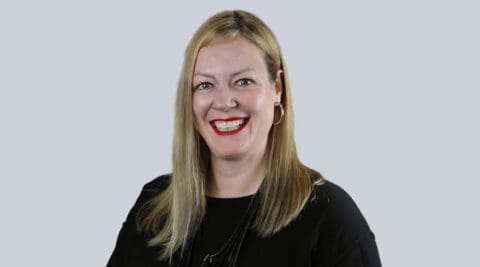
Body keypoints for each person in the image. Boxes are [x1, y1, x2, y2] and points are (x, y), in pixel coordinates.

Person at [107, 10, 381, 267]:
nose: (225, 101)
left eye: (243, 81)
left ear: (277, 88)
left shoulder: (330, 217)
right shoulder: (152, 209)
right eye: (205, 84)